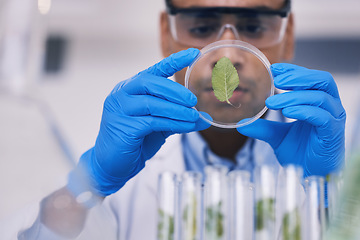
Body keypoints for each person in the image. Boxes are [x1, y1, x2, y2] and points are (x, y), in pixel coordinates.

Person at [16, 0, 345, 239]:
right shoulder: (123, 185)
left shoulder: (341, 149)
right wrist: (89, 183)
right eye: (202, 28)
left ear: (288, 37)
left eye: (254, 27)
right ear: (165, 33)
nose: (227, 55)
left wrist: (334, 196)